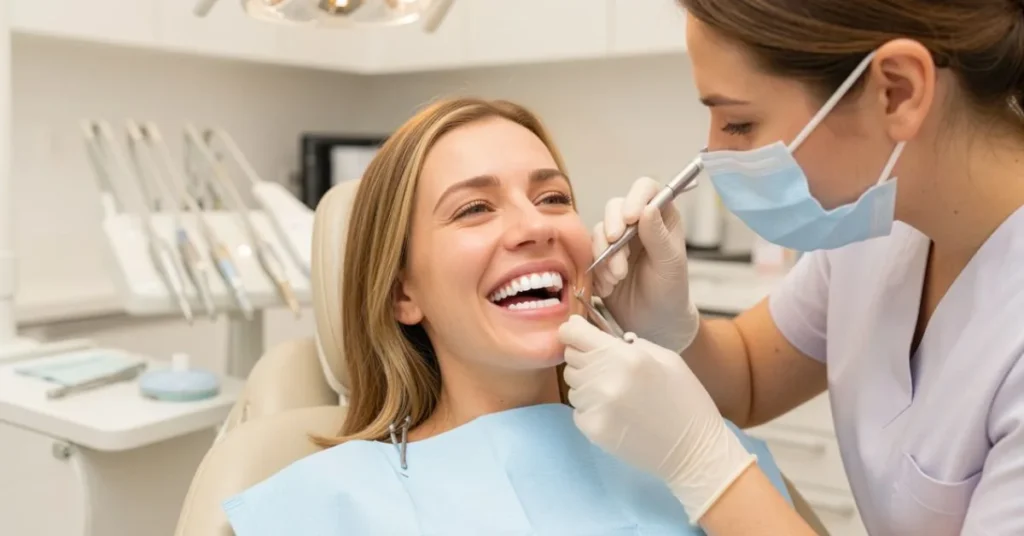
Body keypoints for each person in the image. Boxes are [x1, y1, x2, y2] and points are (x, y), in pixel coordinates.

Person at [219, 97, 791, 535]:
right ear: (402, 293)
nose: (537, 226)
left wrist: (700, 444)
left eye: (553, 198)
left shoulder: (702, 452)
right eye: (474, 209)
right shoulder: (326, 505)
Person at [558, 1, 1024, 535]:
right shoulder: (875, 220)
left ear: (898, 90)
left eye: (739, 121)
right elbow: (751, 377)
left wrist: (704, 466)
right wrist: (672, 328)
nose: (713, 152)